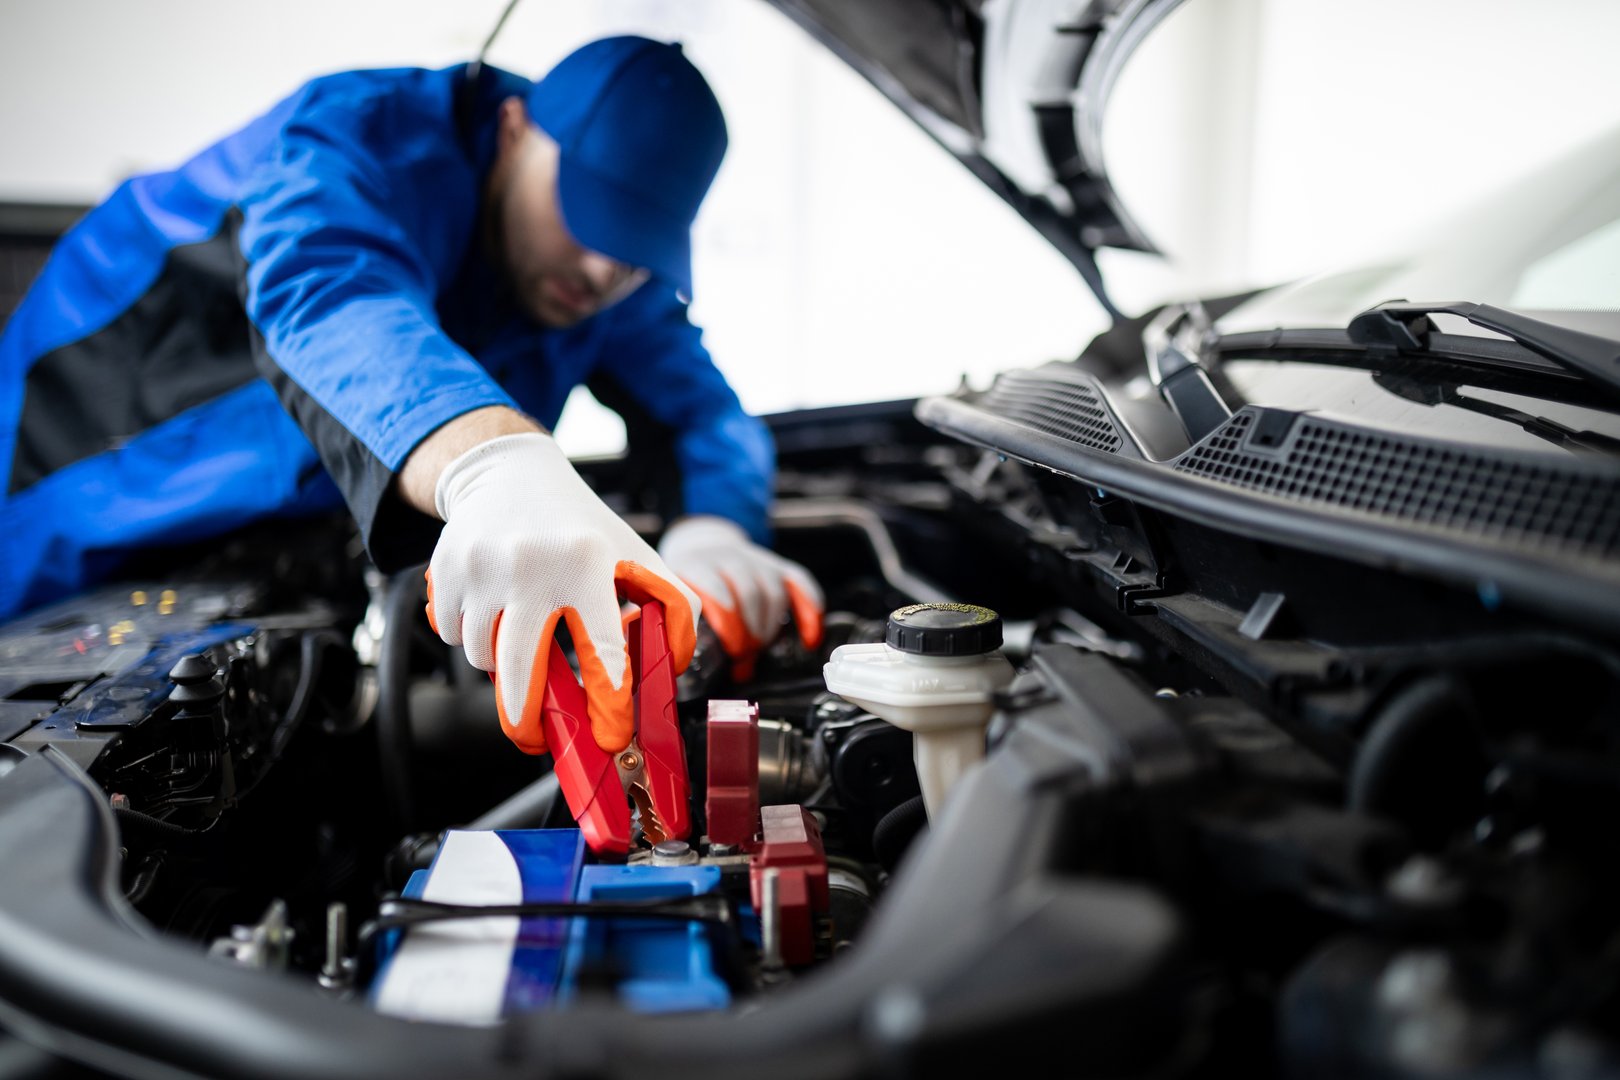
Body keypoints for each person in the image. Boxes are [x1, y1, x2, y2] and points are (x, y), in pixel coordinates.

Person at [0, 36, 823, 757]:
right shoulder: (359, 131)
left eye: (637, 249)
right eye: (588, 216)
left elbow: (704, 413)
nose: (607, 271)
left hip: (281, 556)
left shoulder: (600, 282)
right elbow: (331, 294)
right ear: (514, 127)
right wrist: (493, 465)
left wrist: (716, 525)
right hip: (76, 493)